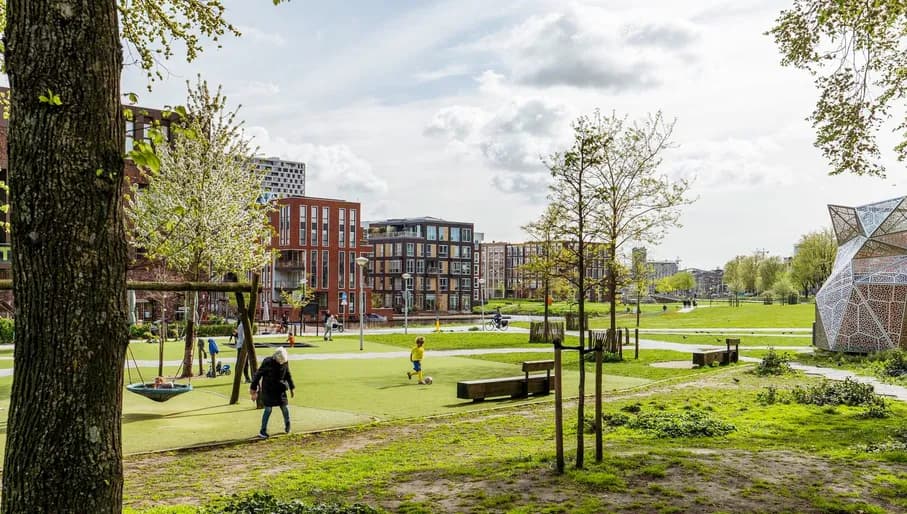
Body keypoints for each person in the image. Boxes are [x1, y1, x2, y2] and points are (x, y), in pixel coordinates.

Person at [250, 347, 295, 438]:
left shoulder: (285, 362)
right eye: (280, 360)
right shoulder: (267, 362)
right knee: (268, 409)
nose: (281, 362)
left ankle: (288, 426)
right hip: (268, 389)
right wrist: (253, 389)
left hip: (280, 389)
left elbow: (287, 374)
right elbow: (258, 375)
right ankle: (263, 431)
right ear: (276, 357)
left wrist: (291, 387)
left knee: (285, 408)